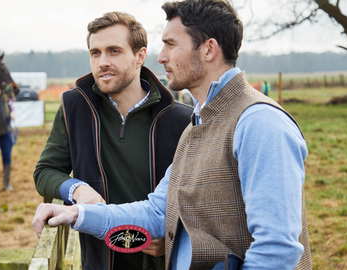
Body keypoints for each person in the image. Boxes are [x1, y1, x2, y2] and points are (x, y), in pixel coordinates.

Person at [32, 1, 312, 270]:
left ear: (208, 49)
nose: (161, 56)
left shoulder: (259, 122)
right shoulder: (196, 126)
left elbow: (278, 250)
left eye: (171, 45)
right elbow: (157, 212)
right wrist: (77, 214)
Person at [33, 11, 192, 270]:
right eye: (95, 53)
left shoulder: (180, 120)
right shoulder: (74, 107)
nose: (102, 62)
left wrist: (175, 239)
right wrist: (76, 188)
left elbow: (198, 199)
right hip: (99, 261)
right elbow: (44, 172)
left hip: (158, 261)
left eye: (114, 51)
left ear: (140, 56)